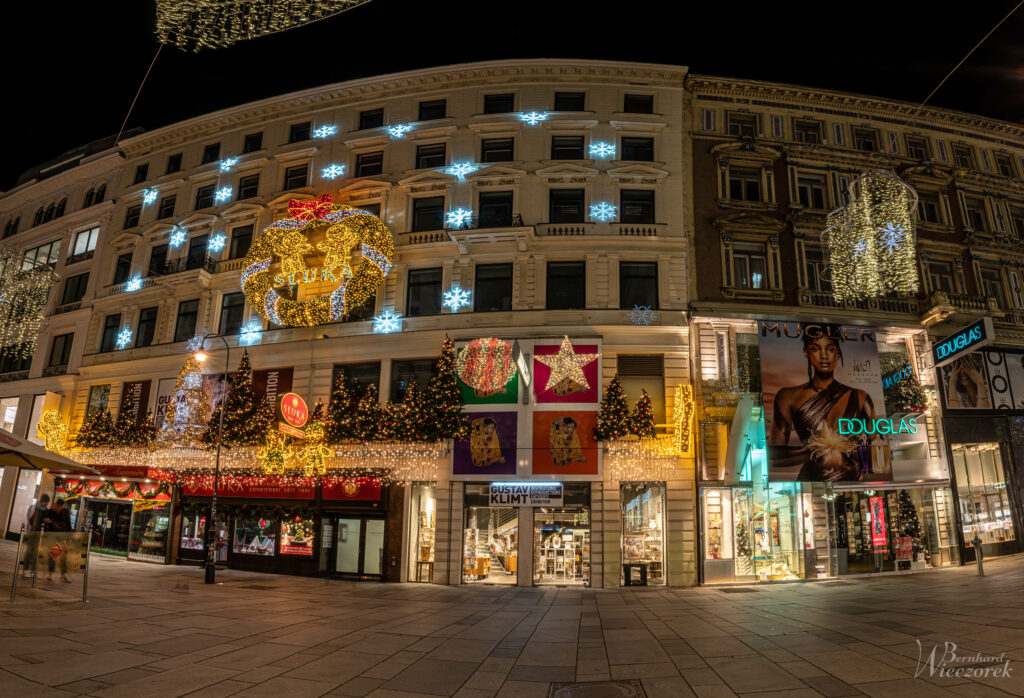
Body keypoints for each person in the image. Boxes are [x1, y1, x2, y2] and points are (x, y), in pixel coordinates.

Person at [768, 324, 875, 480]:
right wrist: (815, 450)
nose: (824, 356)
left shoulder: (859, 397)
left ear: (837, 354)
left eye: (830, 349)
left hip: (852, 481)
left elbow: (878, 448)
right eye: (816, 349)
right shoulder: (788, 396)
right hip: (810, 481)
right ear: (806, 352)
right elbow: (774, 456)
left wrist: (853, 454)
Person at [43, 498, 72, 583]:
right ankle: (51, 573)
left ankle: (63, 574)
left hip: (62, 537)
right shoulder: (51, 511)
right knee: (53, 555)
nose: (59, 507)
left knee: (63, 556)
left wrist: (69, 537)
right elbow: (45, 522)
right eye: (59, 506)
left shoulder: (65, 512)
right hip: (54, 536)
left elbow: (68, 524)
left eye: (61, 506)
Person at [20, 493, 49, 578]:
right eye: (46, 502)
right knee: (29, 553)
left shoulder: (43, 509)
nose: (47, 504)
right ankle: (25, 571)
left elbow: (28, 518)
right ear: (44, 501)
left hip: (37, 534)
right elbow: (30, 519)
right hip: (33, 533)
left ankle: (32, 571)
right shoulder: (34, 508)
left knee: (35, 553)